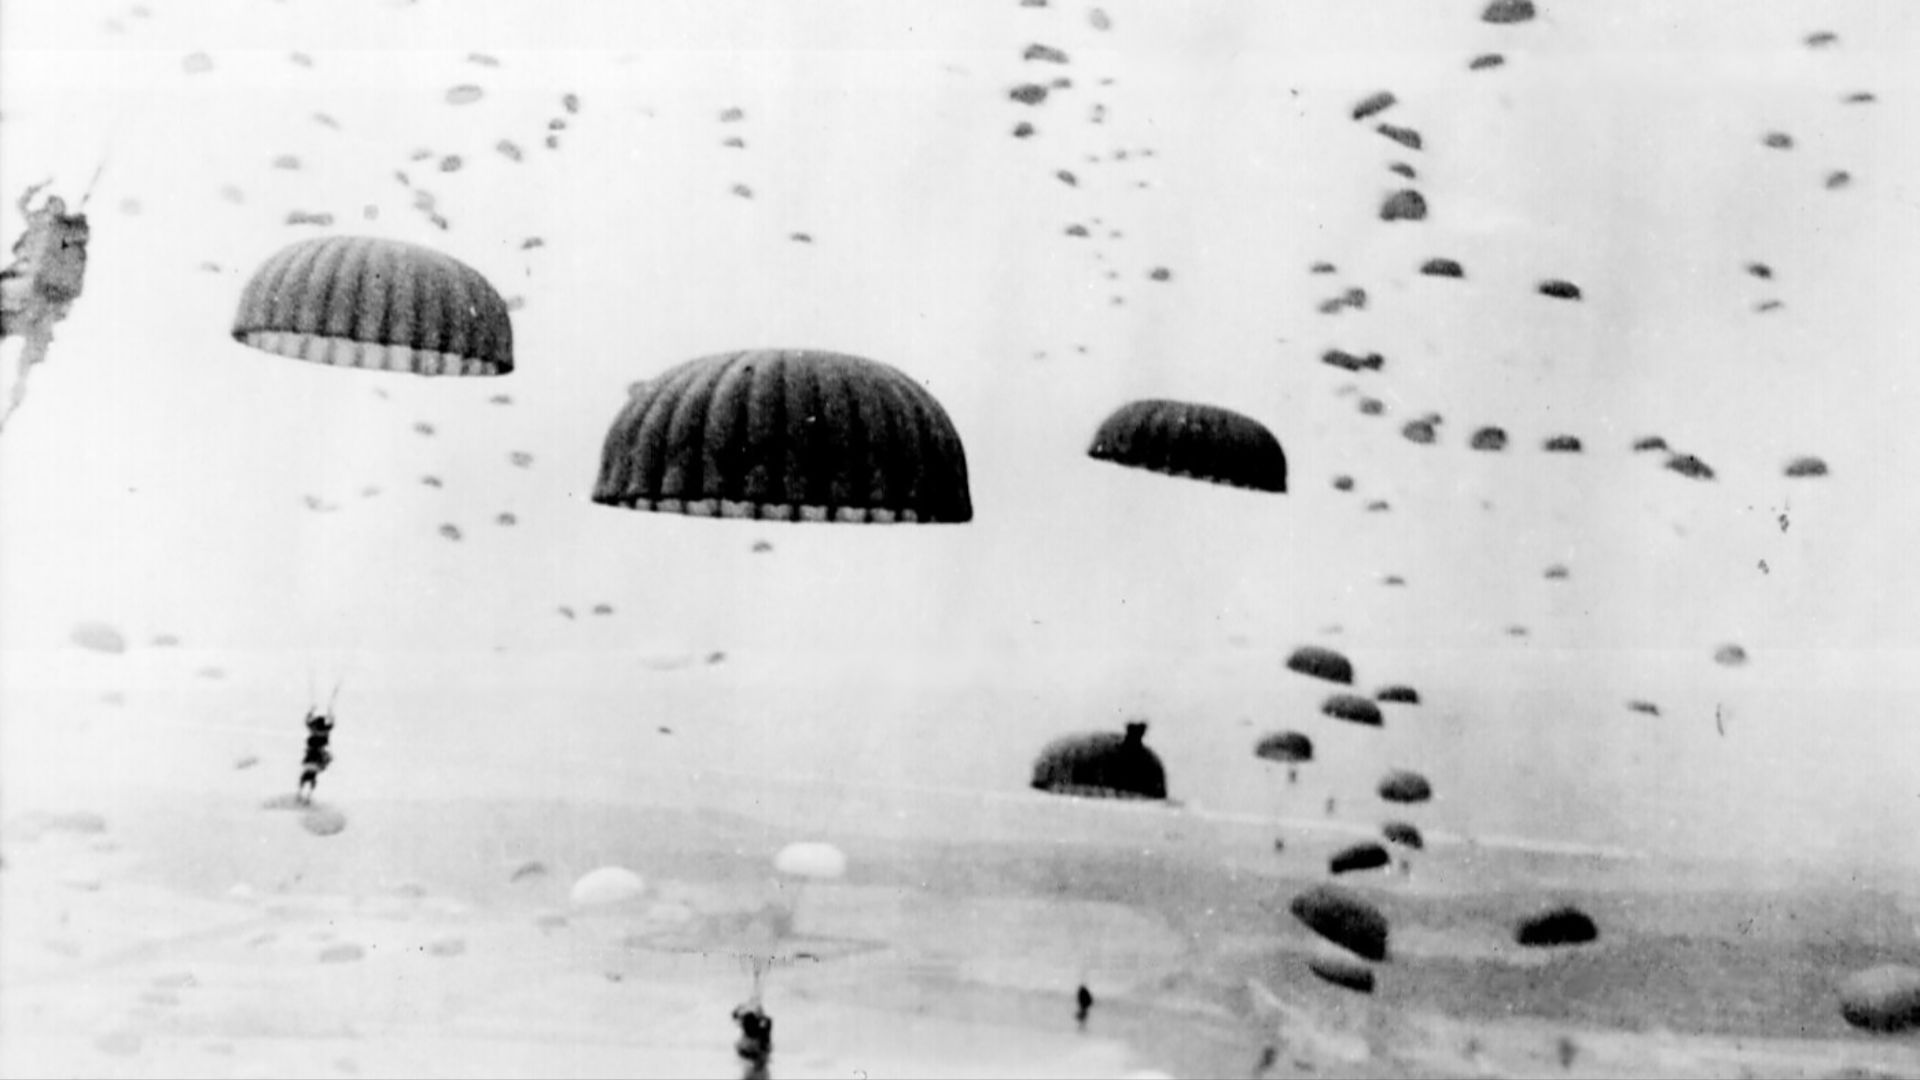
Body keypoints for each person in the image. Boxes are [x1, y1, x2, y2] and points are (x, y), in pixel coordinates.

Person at [296, 708, 335, 804]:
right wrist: (331, 715)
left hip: (312, 753)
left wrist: (310, 712)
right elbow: (332, 724)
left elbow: (306, 722)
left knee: (306, 774)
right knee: (313, 774)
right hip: (319, 755)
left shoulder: (313, 729)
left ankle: (301, 793)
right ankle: (308, 795)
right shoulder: (325, 730)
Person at [732, 1000, 773, 1075]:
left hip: (756, 1057)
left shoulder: (762, 1035)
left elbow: (768, 1022)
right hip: (755, 1056)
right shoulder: (759, 1035)